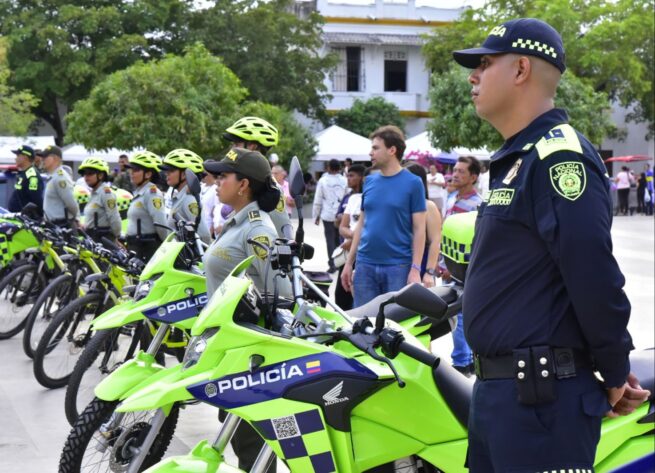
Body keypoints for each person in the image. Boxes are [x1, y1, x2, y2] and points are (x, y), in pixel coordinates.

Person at [452, 18, 649, 471]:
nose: (473, 75)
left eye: (484, 63)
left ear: (521, 69)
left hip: (540, 403)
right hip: (502, 397)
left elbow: (592, 272)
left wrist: (614, 370)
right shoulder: (518, 158)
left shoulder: (558, 157)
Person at [204, 148, 291, 473]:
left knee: (247, 437)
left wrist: (242, 304)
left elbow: (279, 293)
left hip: (246, 348)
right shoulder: (237, 222)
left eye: (223, 176)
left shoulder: (257, 230)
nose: (215, 181)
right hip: (227, 344)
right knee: (236, 428)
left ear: (244, 185)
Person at [341, 125, 426, 307]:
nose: (370, 153)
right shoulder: (369, 181)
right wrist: (349, 263)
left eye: (375, 148)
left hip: (398, 267)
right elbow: (362, 225)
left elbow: (420, 229)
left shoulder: (413, 183)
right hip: (365, 265)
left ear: (392, 150)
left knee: (394, 327)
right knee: (363, 325)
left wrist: (416, 269)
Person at [222, 116, 293, 239]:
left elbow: (283, 232)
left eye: (236, 143)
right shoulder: (244, 179)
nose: (232, 149)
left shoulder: (269, 186)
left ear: (252, 146)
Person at [125, 151, 169, 262]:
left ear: (148, 174)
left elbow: (161, 224)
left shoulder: (152, 193)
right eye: (131, 170)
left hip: (147, 249)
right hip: (136, 247)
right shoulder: (139, 192)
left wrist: (165, 247)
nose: (131, 173)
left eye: (136, 170)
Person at [404, 162, 442, 288]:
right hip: (397, 264)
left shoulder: (428, 206)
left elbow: (435, 241)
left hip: (420, 265)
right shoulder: (397, 205)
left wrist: (429, 272)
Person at [161, 148, 211, 244]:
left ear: (184, 174)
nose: (166, 173)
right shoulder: (180, 198)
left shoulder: (189, 200)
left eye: (171, 170)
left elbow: (204, 235)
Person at [335, 164, 366, 310]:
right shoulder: (351, 198)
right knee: (341, 296)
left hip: (365, 254)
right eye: (347, 175)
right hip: (348, 254)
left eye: (352, 175)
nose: (348, 179)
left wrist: (354, 239)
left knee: (359, 299)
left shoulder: (372, 198)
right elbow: (342, 226)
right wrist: (354, 238)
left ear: (362, 178)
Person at [312, 159, 347, 272]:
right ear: (339, 168)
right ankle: (340, 262)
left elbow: (318, 199)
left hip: (327, 214)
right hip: (341, 214)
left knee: (330, 240)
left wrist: (316, 216)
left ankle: (332, 264)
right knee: (340, 239)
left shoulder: (323, 180)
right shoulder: (344, 180)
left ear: (328, 168)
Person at [77, 157, 122, 241]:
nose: (86, 177)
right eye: (84, 174)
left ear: (100, 175)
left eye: (90, 173)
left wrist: (116, 238)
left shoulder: (106, 193)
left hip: (102, 239)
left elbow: (114, 218)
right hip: (92, 238)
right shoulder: (93, 193)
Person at [40, 145, 80, 227]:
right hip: (53, 225)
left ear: (55, 158)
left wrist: (76, 219)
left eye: (45, 157)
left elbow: (71, 203)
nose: (42, 160)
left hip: (62, 225)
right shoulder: (53, 176)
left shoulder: (60, 178)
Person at [8, 145, 44, 213]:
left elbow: (36, 200)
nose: (15, 159)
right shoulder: (23, 173)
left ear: (25, 157)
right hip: (17, 217)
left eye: (18, 156)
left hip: (25, 220)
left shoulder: (32, 176)